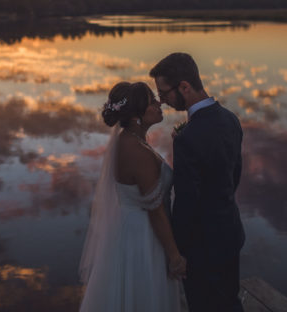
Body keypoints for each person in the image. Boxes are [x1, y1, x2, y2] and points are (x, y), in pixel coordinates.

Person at [79, 81, 187, 312]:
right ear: (137, 115)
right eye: (151, 101)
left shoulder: (132, 141)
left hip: (131, 230)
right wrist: (175, 257)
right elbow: (155, 211)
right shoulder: (135, 150)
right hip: (143, 237)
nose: (159, 103)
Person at [150, 53, 245, 312]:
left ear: (184, 87)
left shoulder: (188, 138)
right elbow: (234, 176)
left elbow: (186, 202)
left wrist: (177, 251)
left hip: (203, 245)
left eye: (164, 93)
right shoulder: (230, 118)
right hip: (230, 231)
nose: (163, 101)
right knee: (230, 301)